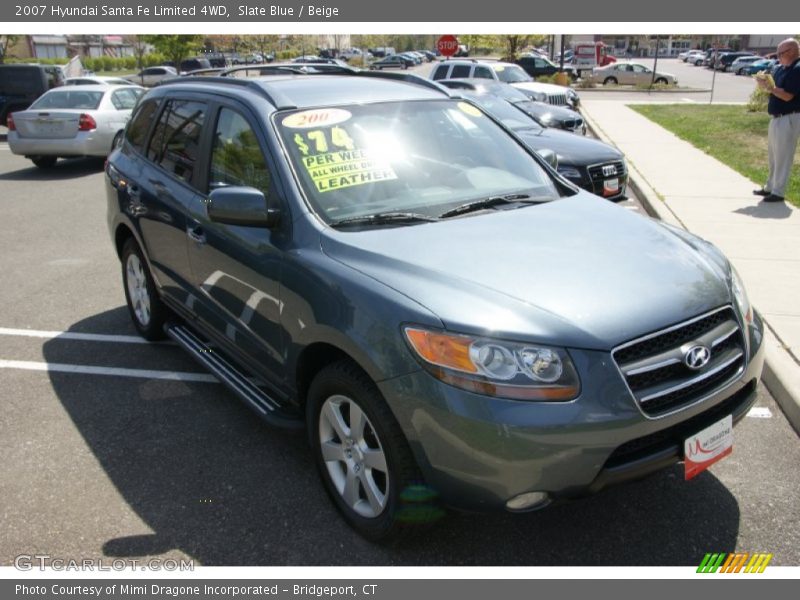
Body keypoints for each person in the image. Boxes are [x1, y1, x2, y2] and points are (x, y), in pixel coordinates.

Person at [754, 38, 800, 203]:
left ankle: (778, 192)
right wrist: (764, 84)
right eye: (777, 53)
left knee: (783, 156)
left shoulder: (797, 69)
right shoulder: (781, 68)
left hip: (789, 117)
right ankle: (769, 187)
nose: (778, 57)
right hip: (776, 117)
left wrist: (770, 88)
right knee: (773, 155)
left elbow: (788, 96)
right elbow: (774, 90)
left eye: (781, 53)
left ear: (792, 52)